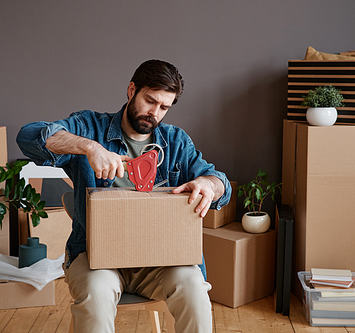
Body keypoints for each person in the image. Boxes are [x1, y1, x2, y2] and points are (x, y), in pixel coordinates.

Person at [16, 59, 231, 333]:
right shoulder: (89, 126)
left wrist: (209, 185)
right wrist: (89, 147)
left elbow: (219, 181)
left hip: (160, 261)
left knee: (193, 286)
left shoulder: (176, 142)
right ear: (132, 91)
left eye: (164, 107)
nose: (154, 113)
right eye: (150, 101)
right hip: (96, 259)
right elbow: (28, 137)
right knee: (96, 292)